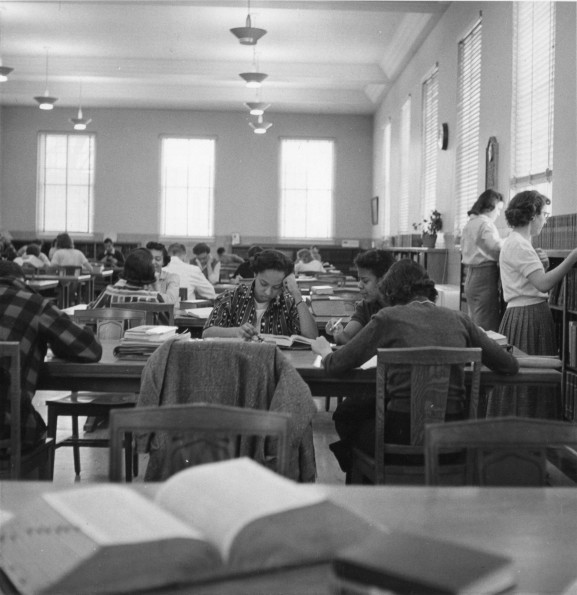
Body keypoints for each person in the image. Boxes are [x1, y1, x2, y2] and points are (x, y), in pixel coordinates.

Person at [310, 259, 520, 472]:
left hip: (400, 436)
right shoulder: (461, 319)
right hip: (453, 438)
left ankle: (373, 483)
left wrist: (325, 351)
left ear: (390, 292)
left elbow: (337, 364)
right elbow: (509, 365)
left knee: (349, 419)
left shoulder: (387, 317)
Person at [489, 190, 577, 419]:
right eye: (544, 215)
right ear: (531, 216)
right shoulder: (519, 245)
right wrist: (572, 257)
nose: (545, 221)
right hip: (527, 316)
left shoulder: (518, 243)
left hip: (526, 313)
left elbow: (531, 281)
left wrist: (544, 265)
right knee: (531, 380)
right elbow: (543, 284)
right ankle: (527, 437)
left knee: (527, 382)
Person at [0, 261, 102, 453]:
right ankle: (17, 481)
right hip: (6, 429)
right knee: (31, 428)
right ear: (22, 281)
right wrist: (53, 342)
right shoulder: (33, 303)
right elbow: (90, 348)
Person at [203, 249, 318, 340]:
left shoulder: (289, 301)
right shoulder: (231, 297)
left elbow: (312, 337)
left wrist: (296, 293)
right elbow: (207, 333)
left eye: (276, 287)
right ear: (255, 274)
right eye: (263, 284)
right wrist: (236, 332)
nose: (268, 292)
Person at [325, 249, 396, 345]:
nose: (359, 285)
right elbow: (346, 338)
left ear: (383, 280)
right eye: (359, 279)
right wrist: (338, 331)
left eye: (365, 281)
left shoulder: (403, 306)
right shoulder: (365, 305)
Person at [461, 189, 505, 331]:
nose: (498, 214)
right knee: (487, 327)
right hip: (485, 276)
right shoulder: (485, 223)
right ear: (489, 207)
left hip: (470, 276)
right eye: (498, 209)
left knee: (475, 323)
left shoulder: (470, 224)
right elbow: (494, 245)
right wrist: (509, 241)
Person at [89, 248, 163, 308]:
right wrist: (156, 288)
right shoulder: (153, 299)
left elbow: (91, 316)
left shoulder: (109, 292)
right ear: (150, 273)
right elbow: (167, 323)